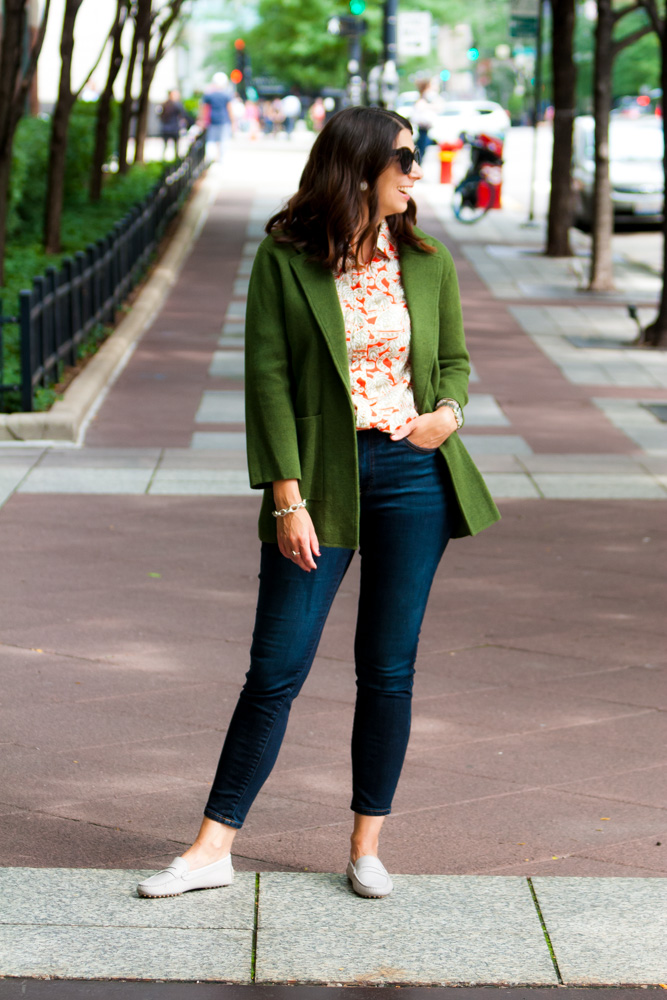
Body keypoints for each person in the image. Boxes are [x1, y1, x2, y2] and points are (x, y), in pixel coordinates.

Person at [137, 106, 500, 902]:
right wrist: (286, 499)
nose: (416, 170)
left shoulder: (427, 260)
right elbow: (266, 379)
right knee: (275, 666)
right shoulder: (287, 260)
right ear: (359, 165)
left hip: (412, 473)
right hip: (321, 479)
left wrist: (448, 416)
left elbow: (455, 363)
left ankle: (367, 845)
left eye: (419, 155)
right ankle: (212, 846)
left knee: (387, 669)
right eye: (404, 157)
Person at [201, 72, 234, 161]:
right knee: (224, 140)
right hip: (224, 120)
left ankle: (211, 158)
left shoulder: (209, 95)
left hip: (212, 120)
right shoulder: (226, 94)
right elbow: (230, 109)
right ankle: (221, 158)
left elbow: (204, 109)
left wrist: (202, 120)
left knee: (211, 140)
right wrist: (233, 122)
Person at [158, 89, 186, 160]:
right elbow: (183, 115)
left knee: (168, 146)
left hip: (167, 128)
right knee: (174, 146)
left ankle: (166, 160)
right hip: (173, 128)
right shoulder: (176, 104)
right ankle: (174, 160)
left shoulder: (164, 104)